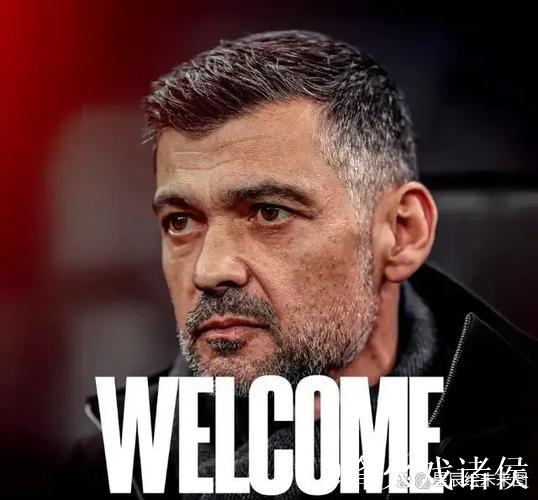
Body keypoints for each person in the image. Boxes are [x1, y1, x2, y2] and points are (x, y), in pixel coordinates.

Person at [64, 30, 537, 498]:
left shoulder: (515, 454)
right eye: (181, 221)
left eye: (270, 212)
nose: (208, 270)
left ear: (401, 233)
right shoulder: (109, 470)